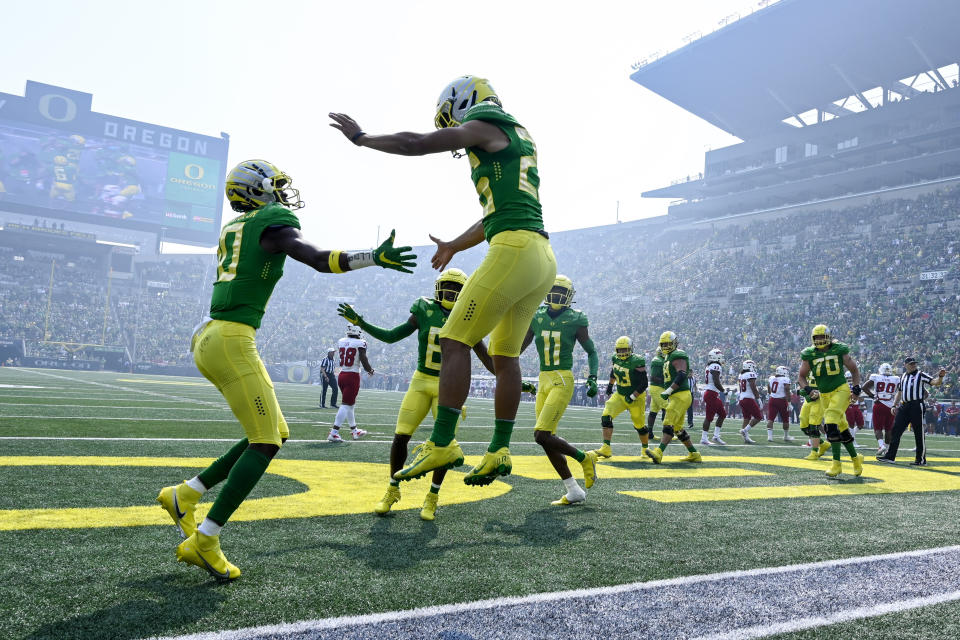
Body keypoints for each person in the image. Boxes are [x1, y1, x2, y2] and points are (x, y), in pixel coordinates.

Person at [156, 159, 415, 581]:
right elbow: (316, 258)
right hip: (231, 338)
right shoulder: (272, 222)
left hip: (213, 335)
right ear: (257, 190)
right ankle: (205, 537)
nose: (281, 192)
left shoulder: (232, 229)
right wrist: (372, 257)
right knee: (264, 441)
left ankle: (186, 494)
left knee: (275, 433)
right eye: (274, 184)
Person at [331, 76, 557, 485]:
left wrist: (362, 138)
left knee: (456, 340)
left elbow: (416, 143)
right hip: (541, 256)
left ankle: (442, 443)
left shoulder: (485, 125)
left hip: (514, 248)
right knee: (505, 358)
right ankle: (499, 450)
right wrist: (454, 244)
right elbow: (496, 212)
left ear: (464, 102)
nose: (451, 129)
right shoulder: (517, 133)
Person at [337, 269, 495, 520]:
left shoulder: (468, 316)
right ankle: (392, 489)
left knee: (442, 444)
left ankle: (432, 497)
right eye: (448, 287)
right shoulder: (423, 309)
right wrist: (362, 323)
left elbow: (485, 355)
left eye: (457, 289)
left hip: (449, 386)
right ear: (438, 288)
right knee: (401, 436)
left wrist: (512, 380)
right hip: (421, 381)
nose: (452, 293)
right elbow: (391, 336)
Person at [519, 275, 600, 505]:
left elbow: (591, 351)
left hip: (562, 379)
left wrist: (593, 376)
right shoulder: (537, 316)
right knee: (546, 439)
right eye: (552, 289)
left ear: (569, 297)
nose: (555, 295)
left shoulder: (576, 319)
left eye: (561, 291)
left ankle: (584, 458)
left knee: (541, 434)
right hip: (543, 378)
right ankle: (573, 490)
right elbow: (517, 349)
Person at [797, 324, 863, 477]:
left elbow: (854, 369)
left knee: (830, 422)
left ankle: (836, 464)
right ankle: (855, 459)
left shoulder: (839, 349)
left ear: (828, 336)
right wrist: (807, 389)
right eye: (817, 337)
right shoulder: (809, 354)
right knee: (843, 427)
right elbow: (801, 376)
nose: (820, 340)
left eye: (822, 336)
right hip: (824, 395)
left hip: (841, 390)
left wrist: (856, 387)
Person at [645, 331, 702, 464]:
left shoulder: (678, 354)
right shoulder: (668, 356)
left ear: (675, 343)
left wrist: (669, 390)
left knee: (668, 421)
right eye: (663, 344)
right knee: (677, 428)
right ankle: (694, 453)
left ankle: (658, 453)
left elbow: (682, 374)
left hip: (681, 395)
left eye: (668, 343)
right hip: (677, 396)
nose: (665, 346)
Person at [878, 357, 946, 466]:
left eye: (914, 363)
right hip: (904, 406)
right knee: (896, 430)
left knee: (918, 433)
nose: (913, 365)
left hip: (916, 405)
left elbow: (935, 382)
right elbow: (899, 392)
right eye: (911, 364)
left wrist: (941, 376)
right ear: (905, 365)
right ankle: (890, 456)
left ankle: (920, 460)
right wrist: (894, 405)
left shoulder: (920, 374)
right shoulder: (903, 376)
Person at [591, 336, 649, 458]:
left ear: (631, 348)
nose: (622, 353)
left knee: (639, 425)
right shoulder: (615, 358)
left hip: (636, 397)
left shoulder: (637, 361)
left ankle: (645, 449)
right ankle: (606, 448)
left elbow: (644, 383)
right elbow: (614, 372)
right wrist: (610, 386)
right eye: (620, 350)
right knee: (606, 416)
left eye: (625, 350)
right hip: (620, 394)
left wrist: (633, 397)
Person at [328, 325, 373, 442]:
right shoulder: (360, 342)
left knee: (350, 405)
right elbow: (363, 358)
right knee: (346, 405)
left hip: (342, 375)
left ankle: (355, 431)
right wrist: (370, 370)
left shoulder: (341, 341)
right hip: (352, 376)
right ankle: (334, 432)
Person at [700, 348, 727, 445]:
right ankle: (704, 438)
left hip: (712, 393)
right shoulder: (715, 366)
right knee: (709, 417)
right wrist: (723, 390)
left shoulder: (710, 366)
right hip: (711, 393)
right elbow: (716, 381)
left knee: (723, 414)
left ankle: (716, 436)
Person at [765, 366, 795, 442]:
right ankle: (786, 436)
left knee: (770, 419)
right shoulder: (785, 379)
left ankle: (770, 437)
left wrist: (771, 394)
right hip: (782, 400)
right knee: (785, 419)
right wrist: (789, 402)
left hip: (772, 399)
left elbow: (768, 388)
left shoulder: (771, 378)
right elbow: (787, 390)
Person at [737, 360, 762, 443]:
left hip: (742, 398)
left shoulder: (741, 375)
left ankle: (746, 438)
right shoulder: (750, 374)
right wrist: (758, 399)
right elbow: (753, 387)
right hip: (748, 398)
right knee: (758, 417)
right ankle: (745, 430)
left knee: (746, 418)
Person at [646, 347, 667, 436]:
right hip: (657, 388)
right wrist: (666, 381)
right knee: (667, 408)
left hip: (658, 388)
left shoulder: (662, 360)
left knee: (653, 411)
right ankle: (667, 432)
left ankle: (649, 432)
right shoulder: (657, 361)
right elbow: (653, 377)